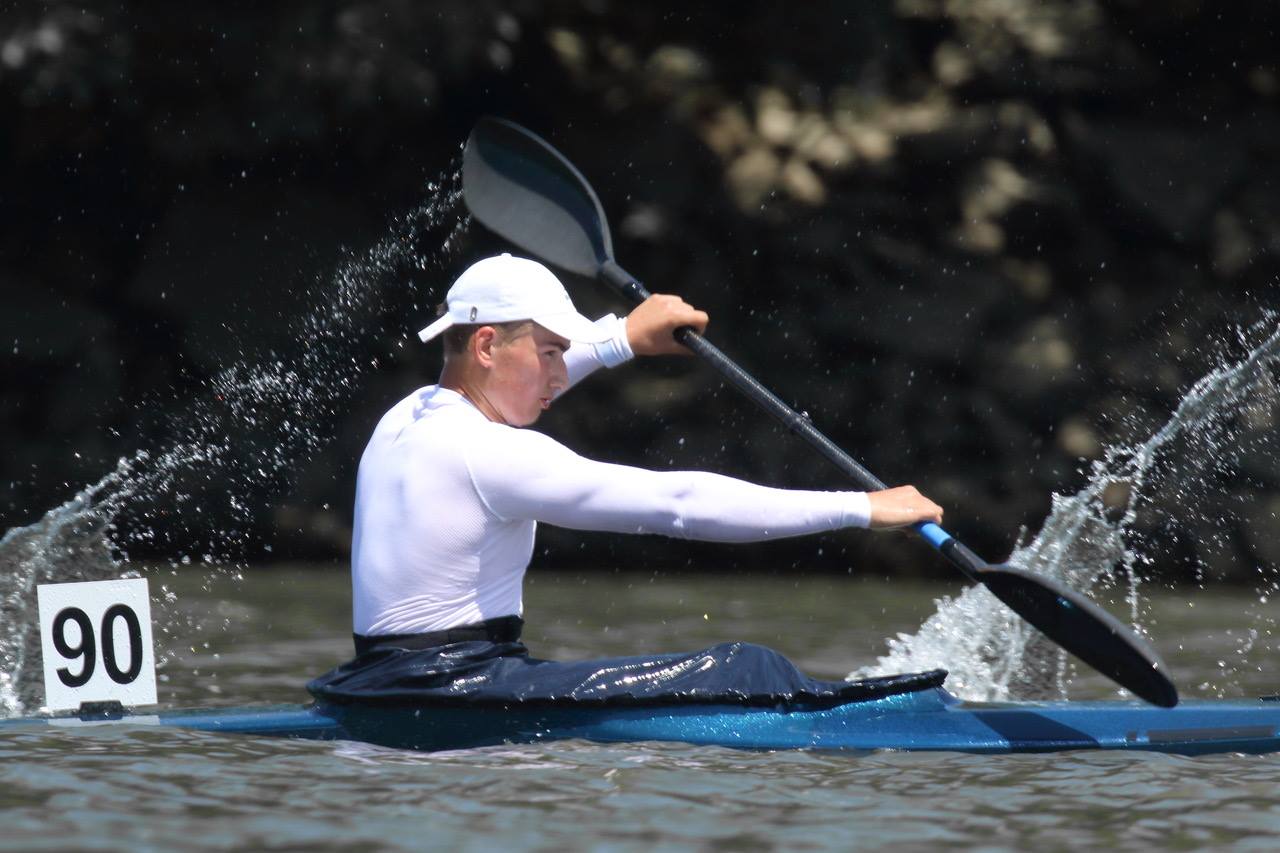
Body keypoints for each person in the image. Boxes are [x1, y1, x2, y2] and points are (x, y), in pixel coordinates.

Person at [308, 253, 945, 708]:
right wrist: (860, 507)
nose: (560, 375)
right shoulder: (494, 455)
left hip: (379, 686)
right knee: (746, 669)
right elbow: (679, 503)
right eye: (550, 353)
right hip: (455, 691)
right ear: (484, 347)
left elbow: (537, 376)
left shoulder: (405, 418)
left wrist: (623, 337)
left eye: (564, 354)